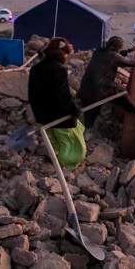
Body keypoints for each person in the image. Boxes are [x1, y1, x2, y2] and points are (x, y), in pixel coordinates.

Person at [28, 37, 85, 170]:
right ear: (62, 54)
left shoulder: (36, 68)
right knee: (71, 144)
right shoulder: (59, 70)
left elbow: (32, 95)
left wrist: (38, 114)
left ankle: (54, 160)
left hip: (42, 115)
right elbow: (62, 96)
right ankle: (66, 165)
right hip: (58, 116)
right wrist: (74, 110)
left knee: (54, 140)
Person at [77, 36, 135, 129]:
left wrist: (128, 51)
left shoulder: (99, 51)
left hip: (86, 88)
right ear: (118, 47)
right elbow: (128, 62)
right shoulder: (113, 56)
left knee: (92, 110)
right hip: (99, 88)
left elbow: (116, 55)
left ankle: (87, 130)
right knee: (121, 92)